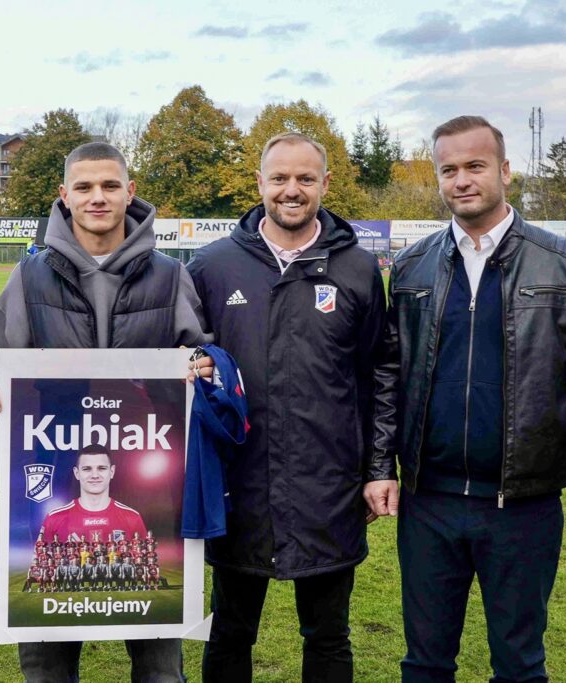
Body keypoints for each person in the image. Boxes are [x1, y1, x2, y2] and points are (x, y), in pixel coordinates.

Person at [384, 115, 566, 682]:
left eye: (475, 166)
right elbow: (387, 374)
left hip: (522, 504)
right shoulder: (411, 266)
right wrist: (380, 466)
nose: (461, 180)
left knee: (520, 664)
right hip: (428, 502)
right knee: (424, 663)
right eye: (448, 169)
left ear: (504, 171)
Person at [0, 140, 207, 683]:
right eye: (84, 187)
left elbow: (200, 352)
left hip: (151, 472)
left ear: (130, 191)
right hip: (53, 470)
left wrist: (203, 367)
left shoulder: (170, 275)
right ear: (64, 195)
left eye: (109, 185)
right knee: (47, 659)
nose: (97, 197)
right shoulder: (29, 276)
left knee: (159, 660)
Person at [185, 132, 398, 682]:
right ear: (259, 183)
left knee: (327, 635)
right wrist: (191, 366)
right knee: (229, 632)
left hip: (328, 484)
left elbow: (379, 373)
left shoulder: (358, 269)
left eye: (305, 178)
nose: (292, 190)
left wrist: (377, 468)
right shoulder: (212, 266)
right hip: (239, 482)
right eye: (279, 178)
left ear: (325, 183)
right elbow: (179, 359)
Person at [41, 449, 148, 548]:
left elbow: (144, 559)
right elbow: (40, 559)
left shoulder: (132, 518)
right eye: (87, 469)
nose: (95, 475)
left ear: (112, 471)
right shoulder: (54, 519)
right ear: (77, 473)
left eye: (102, 468)